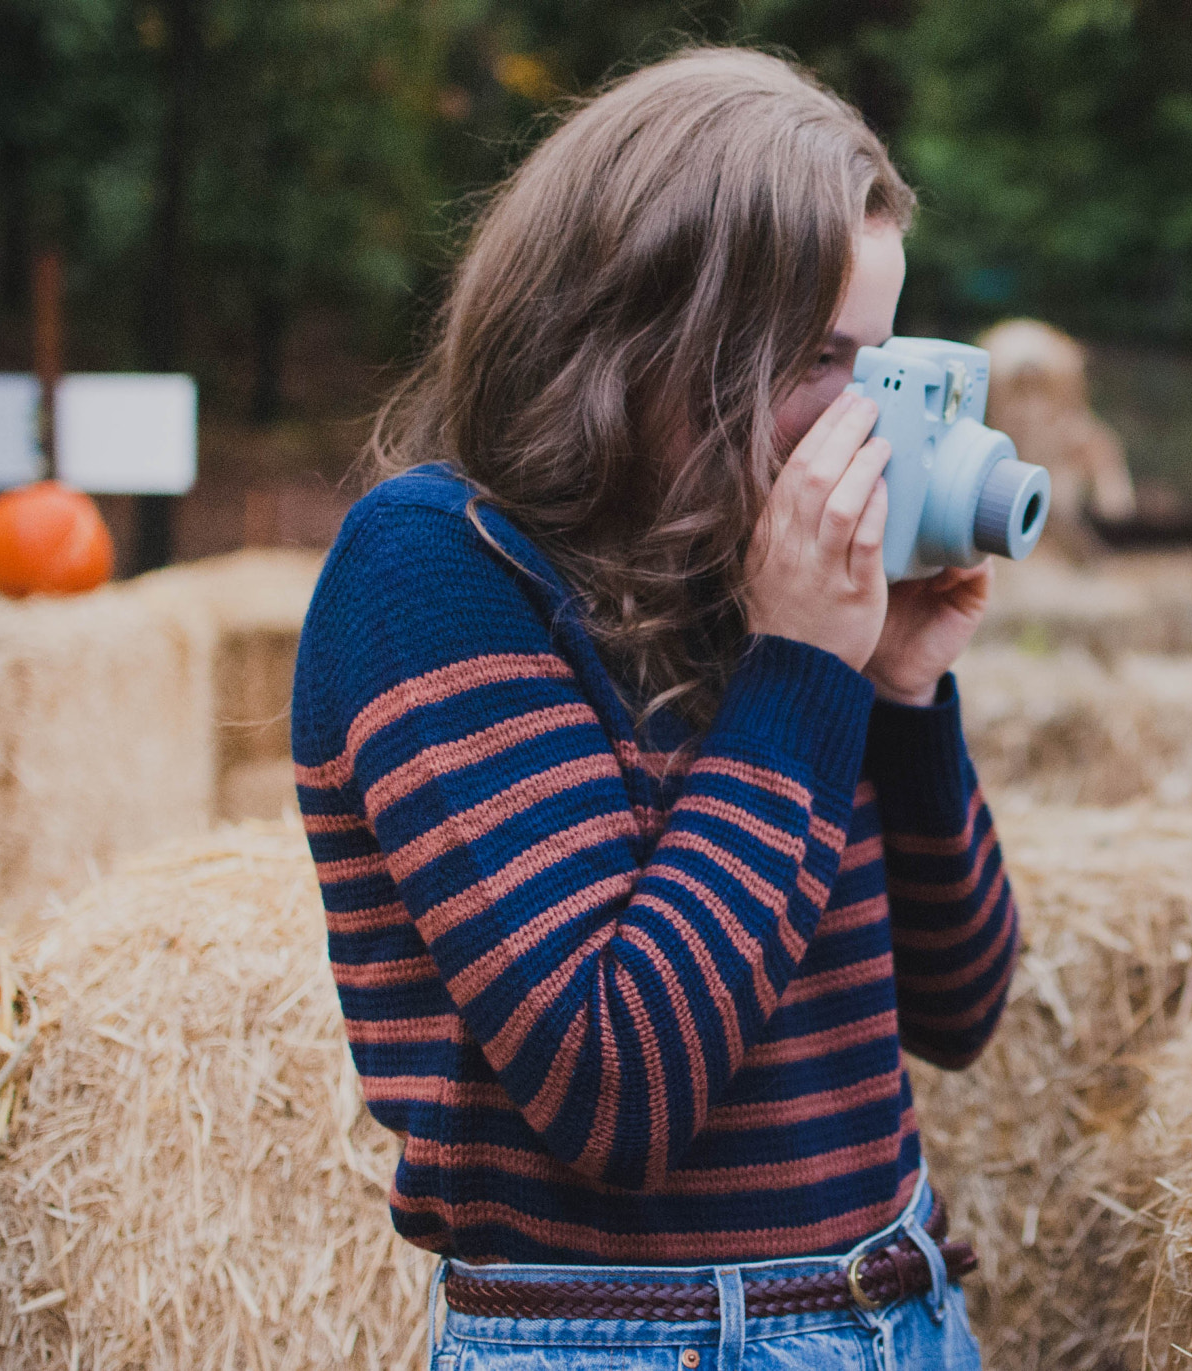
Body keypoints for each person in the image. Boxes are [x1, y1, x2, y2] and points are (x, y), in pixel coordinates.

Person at [291, 47, 1016, 1370]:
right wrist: (801, 671)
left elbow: (959, 1006)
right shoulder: (434, 572)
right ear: (649, 335)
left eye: (879, 361)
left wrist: (902, 689)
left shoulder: (760, 579)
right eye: (817, 358)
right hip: (636, 1343)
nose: (860, 422)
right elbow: (618, 1088)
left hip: (901, 1308)